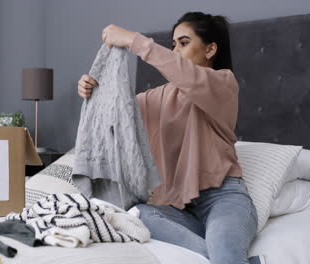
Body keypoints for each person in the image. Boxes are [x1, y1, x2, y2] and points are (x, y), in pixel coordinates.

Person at [77, 12, 264, 264]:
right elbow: (116, 112)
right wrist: (92, 90)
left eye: (184, 43)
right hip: (176, 209)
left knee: (224, 251)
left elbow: (186, 74)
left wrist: (134, 40)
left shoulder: (223, 84)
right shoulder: (156, 98)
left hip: (223, 199)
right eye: (173, 45)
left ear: (210, 49)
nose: (176, 51)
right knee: (137, 213)